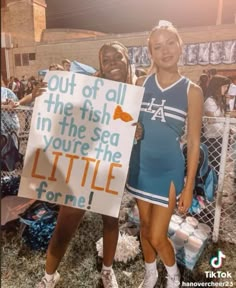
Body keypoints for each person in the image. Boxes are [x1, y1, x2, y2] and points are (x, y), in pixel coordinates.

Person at [36, 41, 135, 288]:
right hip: (81, 164)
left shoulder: (138, 89)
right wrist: (41, 95)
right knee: (65, 223)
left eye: (117, 57)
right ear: (100, 65)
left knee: (111, 220)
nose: (112, 63)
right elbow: (62, 105)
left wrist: (138, 128)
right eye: (106, 60)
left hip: (111, 165)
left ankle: (107, 271)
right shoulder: (90, 84)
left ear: (127, 59)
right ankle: (49, 276)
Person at [126, 20, 203, 288]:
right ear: (151, 52)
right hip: (139, 168)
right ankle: (150, 273)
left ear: (180, 46)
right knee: (145, 229)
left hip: (168, 171)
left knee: (158, 235)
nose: (166, 50)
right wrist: (132, 127)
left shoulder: (192, 90)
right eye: (158, 46)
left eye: (171, 43)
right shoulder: (140, 83)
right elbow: (126, 121)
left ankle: (173, 276)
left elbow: (194, 142)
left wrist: (189, 185)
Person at [203, 75, 231, 174]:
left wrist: (227, 102)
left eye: (227, 87)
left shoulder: (219, 100)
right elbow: (211, 120)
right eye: (224, 86)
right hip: (212, 138)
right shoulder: (209, 101)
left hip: (220, 135)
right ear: (217, 86)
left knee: (220, 164)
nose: (226, 89)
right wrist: (226, 127)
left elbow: (227, 114)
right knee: (215, 165)